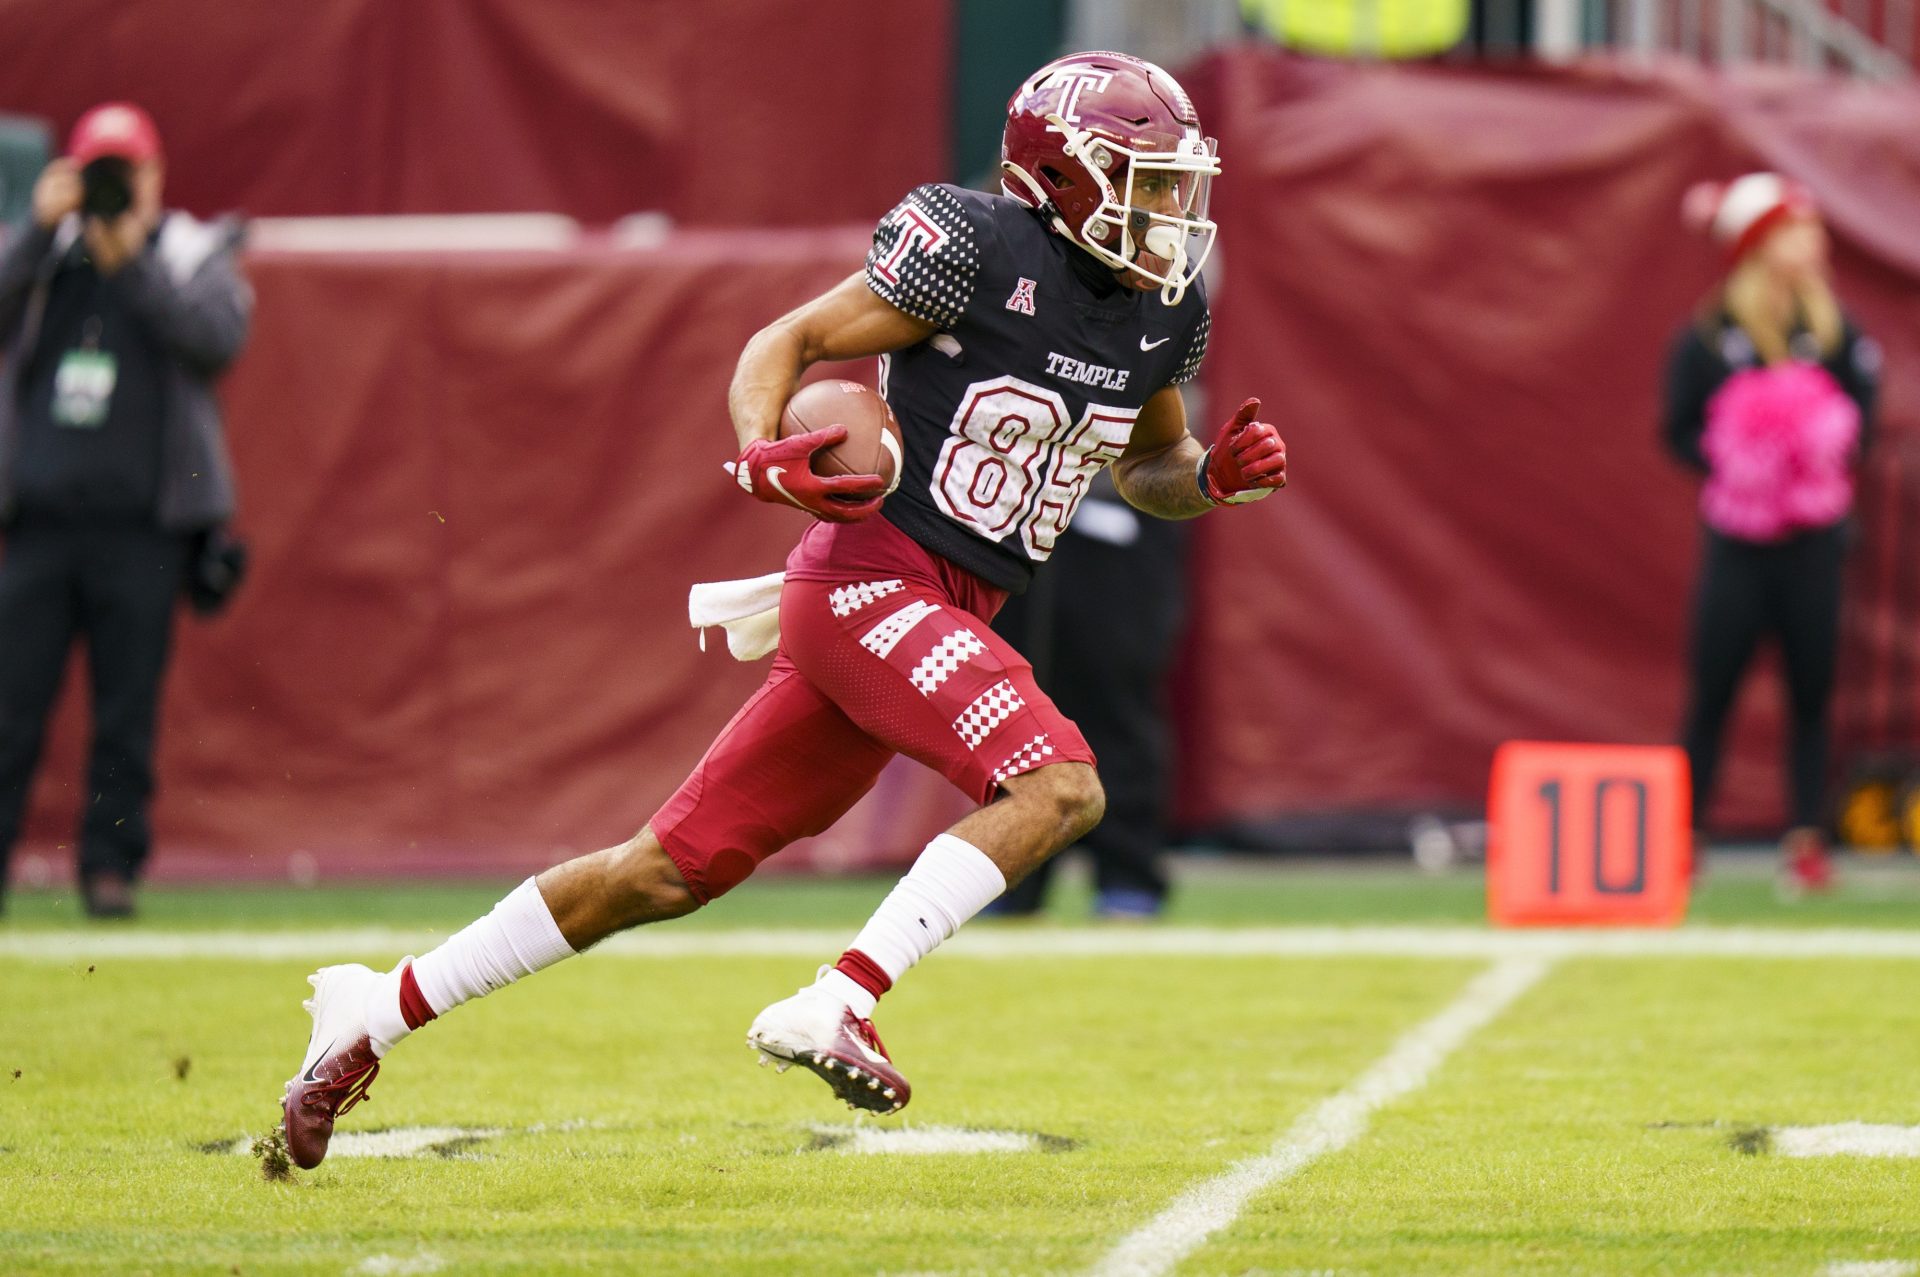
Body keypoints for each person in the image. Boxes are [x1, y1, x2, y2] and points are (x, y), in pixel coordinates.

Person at [281, 51, 1289, 1170]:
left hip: (949, 602)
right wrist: (765, 453)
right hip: (873, 576)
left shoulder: (1163, 313)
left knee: (660, 870)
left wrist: (1207, 480)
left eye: (1171, 185)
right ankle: (842, 996)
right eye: (1141, 182)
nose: (1166, 211)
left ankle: (375, 1008)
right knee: (1061, 783)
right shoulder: (972, 247)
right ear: (1058, 176)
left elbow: (1149, 461)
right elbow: (788, 343)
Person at [0, 103, 251, 918]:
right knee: (10, 702)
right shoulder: (44, 254)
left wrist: (131, 257)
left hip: (142, 527)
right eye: (97, 171)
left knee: (125, 714)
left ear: (154, 176)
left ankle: (109, 865)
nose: (111, 187)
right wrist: (42, 231)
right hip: (40, 520)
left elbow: (217, 336)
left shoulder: (184, 252)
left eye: (124, 170)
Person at [1664, 173, 1880, 894]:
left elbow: (1862, 420)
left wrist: (1813, 456)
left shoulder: (1835, 330)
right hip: (1739, 544)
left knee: (1812, 690)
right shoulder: (1708, 333)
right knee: (1713, 686)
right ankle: (1684, 837)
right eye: (1797, 230)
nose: (1813, 244)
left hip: (1814, 545)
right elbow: (1678, 428)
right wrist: (1738, 464)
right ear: (1762, 244)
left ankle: (1807, 842)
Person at [988, 469, 1186, 919]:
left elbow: (1172, 436)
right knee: (1011, 707)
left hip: (1118, 516)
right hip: (1013, 524)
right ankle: (1010, 873)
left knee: (1115, 702)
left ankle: (1127, 873)